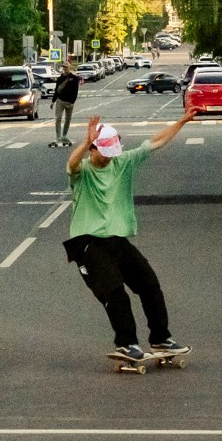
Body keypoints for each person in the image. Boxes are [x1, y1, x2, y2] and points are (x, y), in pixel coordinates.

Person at [63, 111, 191, 361]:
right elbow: (72, 164)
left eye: (113, 154)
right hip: (88, 243)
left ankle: (161, 338)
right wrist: (85, 142)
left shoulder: (123, 162)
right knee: (115, 292)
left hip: (117, 241)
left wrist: (182, 121)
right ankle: (126, 343)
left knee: (150, 284)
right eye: (104, 154)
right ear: (94, 150)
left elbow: (155, 143)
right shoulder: (84, 172)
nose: (109, 160)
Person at [50, 66, 82, 147]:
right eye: (64, 67)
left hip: (70, 102)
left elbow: (76, 90)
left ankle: (64, 135)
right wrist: (53, 101)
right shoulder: (60, 78)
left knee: (68, 119)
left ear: (69, 68)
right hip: (60, 101)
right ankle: (58, 136)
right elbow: (57, 90)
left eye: (67, 68)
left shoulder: (74, 78)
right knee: (58, 118)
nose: (65, 69)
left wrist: (73, 101)